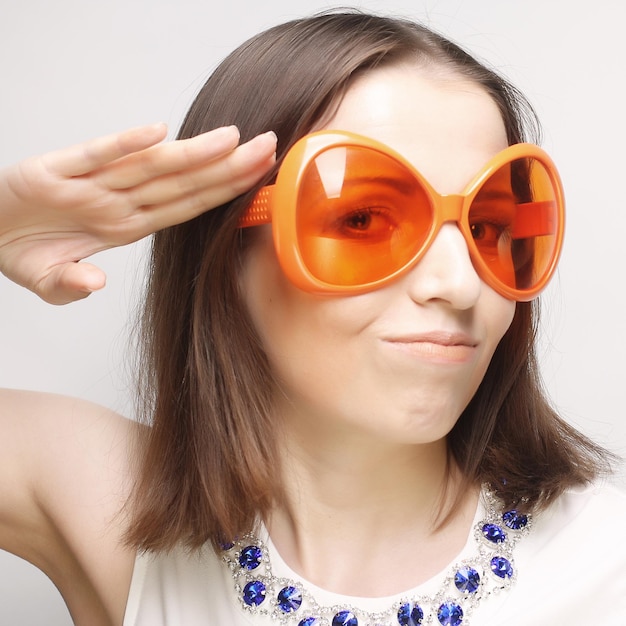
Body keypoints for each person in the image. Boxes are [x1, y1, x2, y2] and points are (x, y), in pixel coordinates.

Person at [0, 9, 624, 626]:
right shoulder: (108, 506)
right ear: (224, 252)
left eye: (489, 228)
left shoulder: (606, 561)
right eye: (362, 220)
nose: (461, 285)